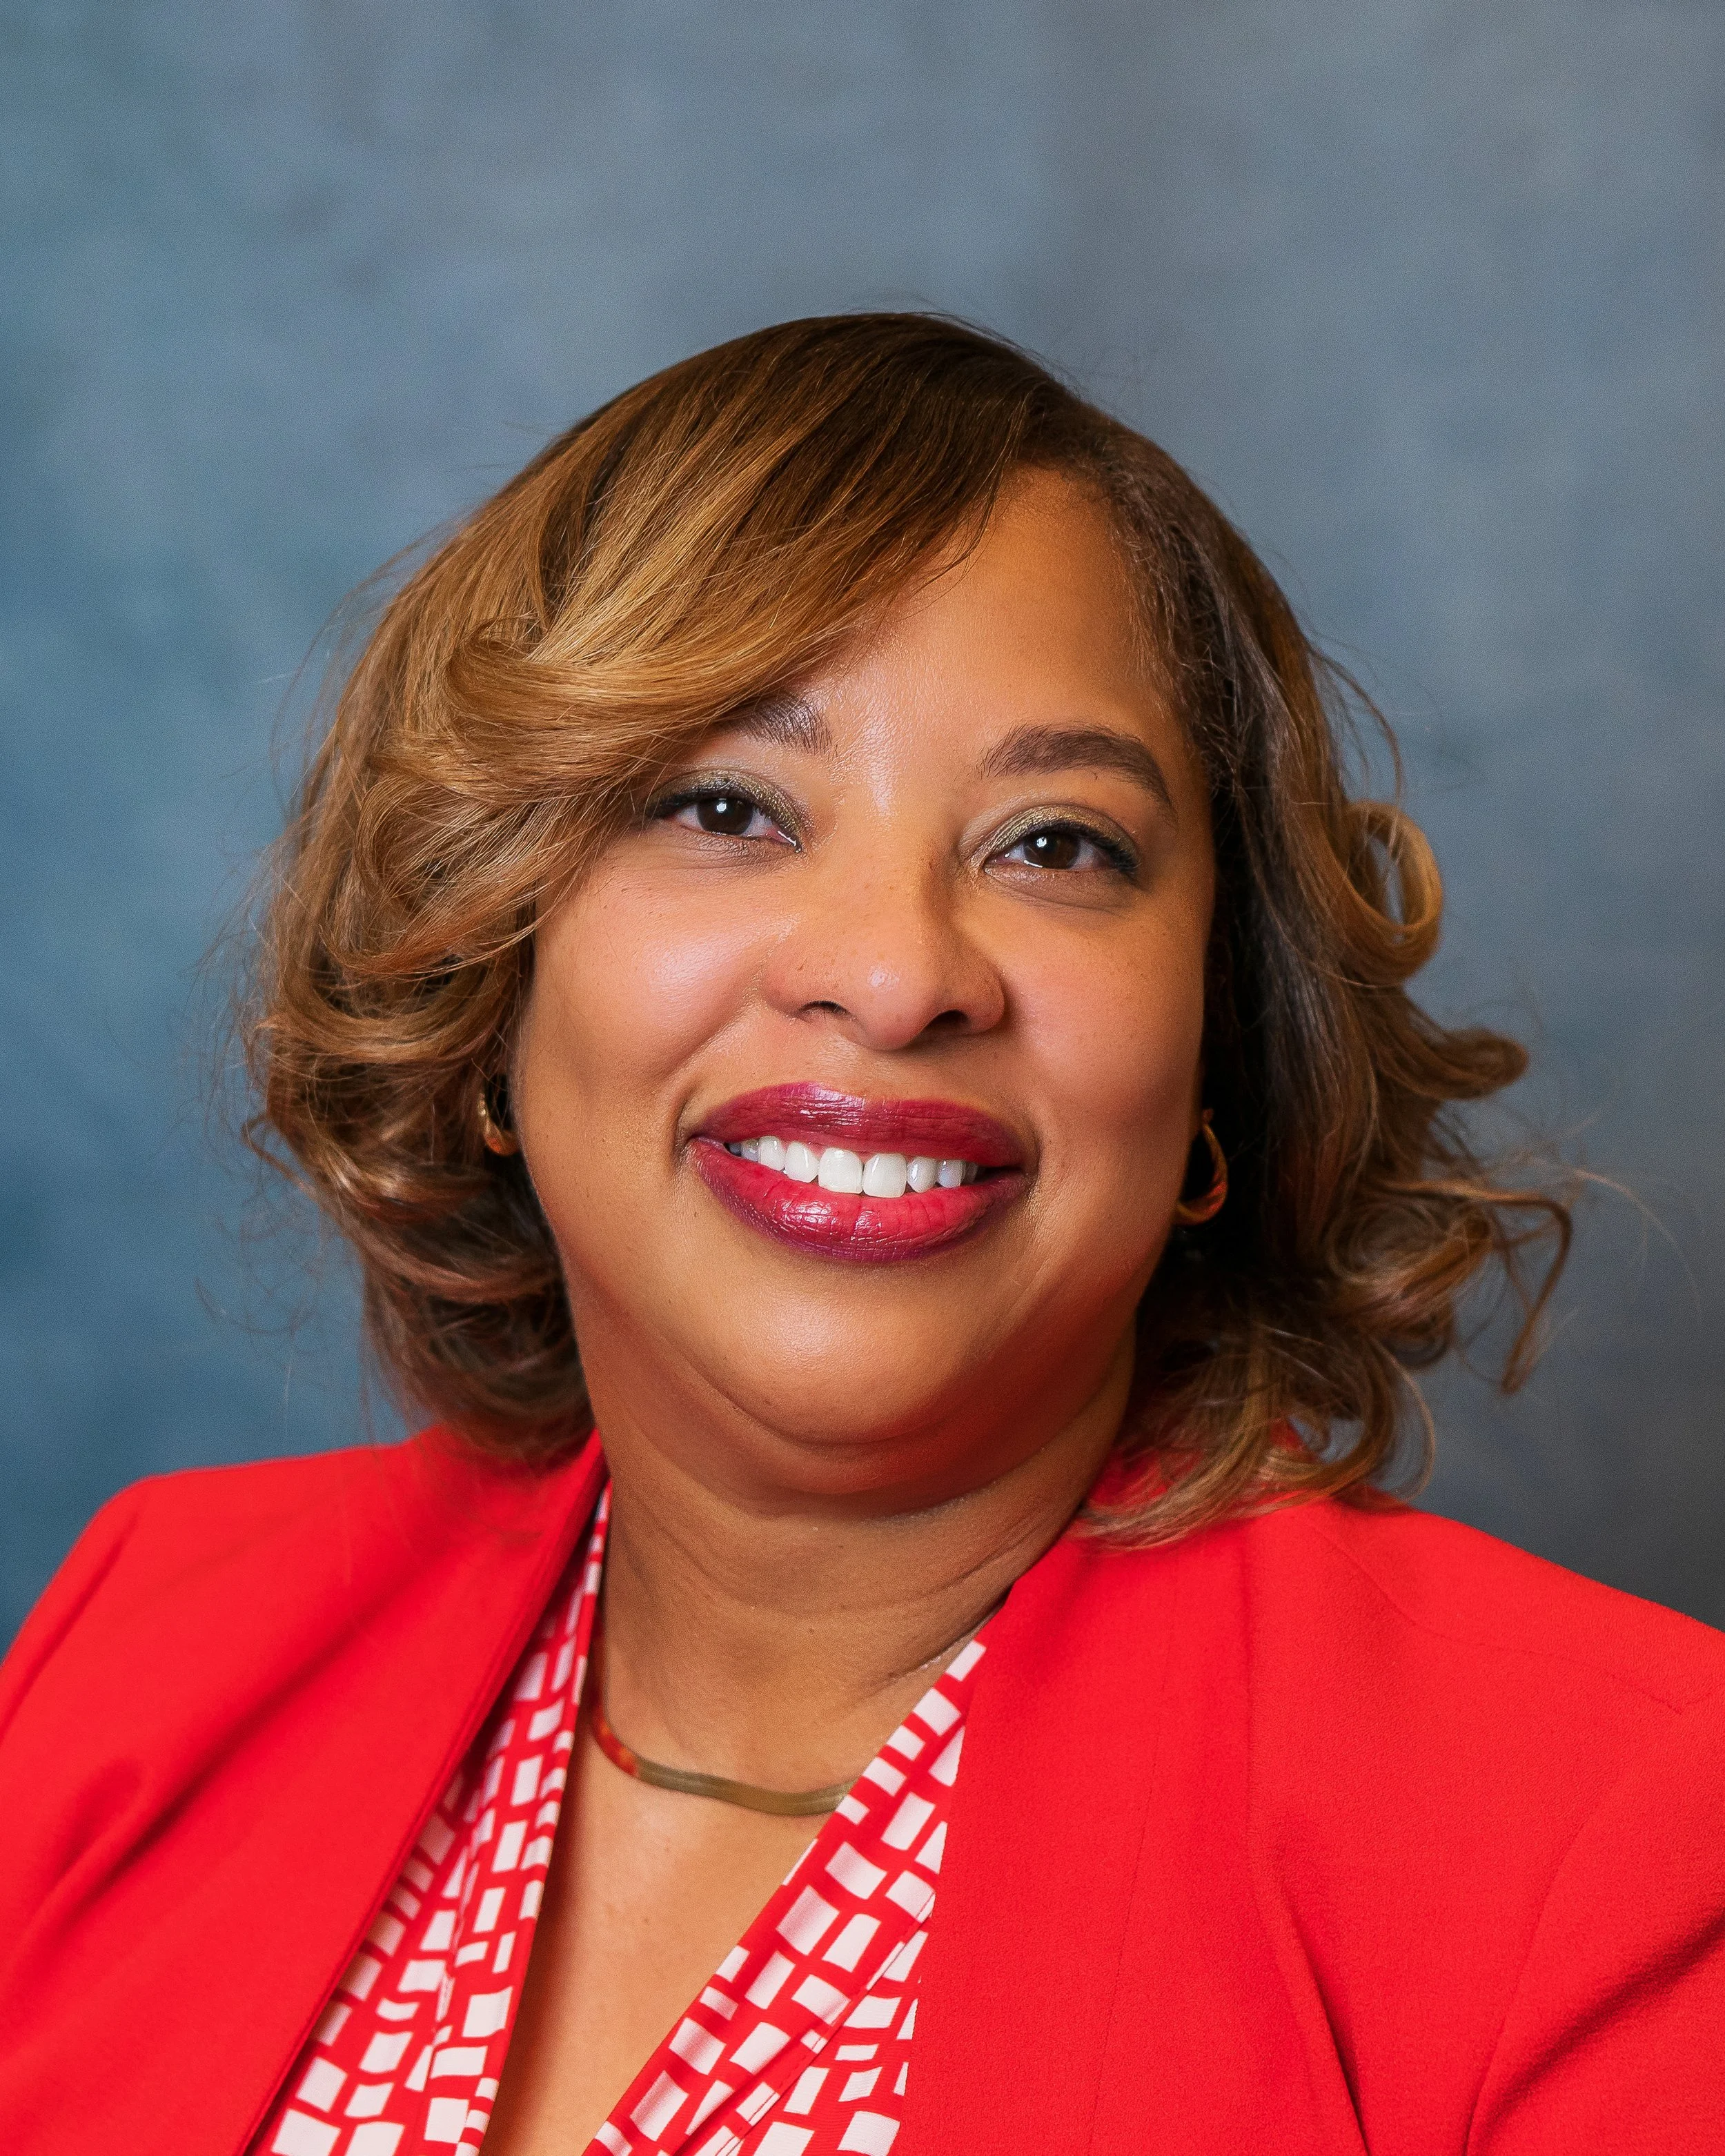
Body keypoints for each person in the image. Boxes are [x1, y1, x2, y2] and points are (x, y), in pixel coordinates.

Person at [2, 315, 1720, 2156]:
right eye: (726, 804)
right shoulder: (148, 1643)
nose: (896, 976)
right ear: (480, 964)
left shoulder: (1610, 1824)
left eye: (1057, 843)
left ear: (1220, 1036)